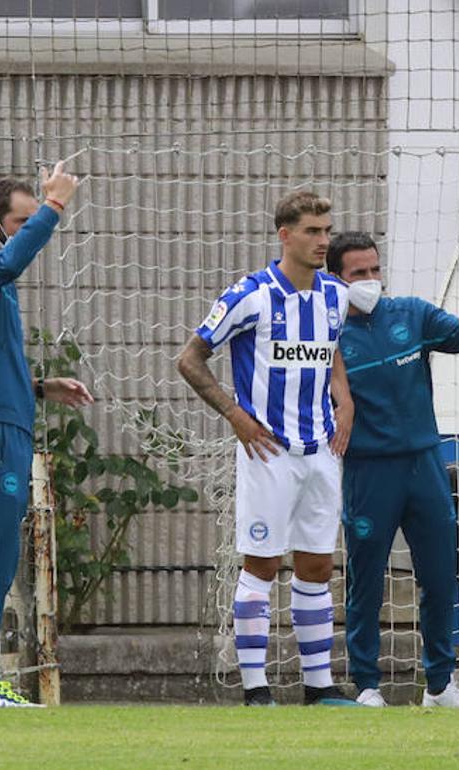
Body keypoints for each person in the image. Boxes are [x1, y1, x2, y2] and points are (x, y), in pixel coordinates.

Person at [177, 191, 357, 706]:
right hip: (267, 451)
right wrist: (235, 416)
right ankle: (256, 691)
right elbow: (189, 360)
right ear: (285, 235)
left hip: (321, 448)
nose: (324, 240)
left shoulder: (335, 295)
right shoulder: (250, 295)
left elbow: (332, 350)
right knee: (261, 564)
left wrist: (344, 400)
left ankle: (318, 687)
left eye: (327, 230)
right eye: (313, 231)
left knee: (318, 565)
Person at [327, 231, 459, 708]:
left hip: (424, 464)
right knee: (366, 580)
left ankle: (440, 685)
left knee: (441, 576)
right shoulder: (328, 332)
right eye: (359, 273)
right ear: (336, 278)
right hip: (367, 471)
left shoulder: (412, 314)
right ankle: (366, 686)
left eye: (375, 269)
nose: (370, 280)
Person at [0, 163, 94, 708]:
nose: (30, 227)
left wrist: (37, 385)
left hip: (2, 421)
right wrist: (56, 206)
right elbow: (13, 259)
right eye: (22, 219)